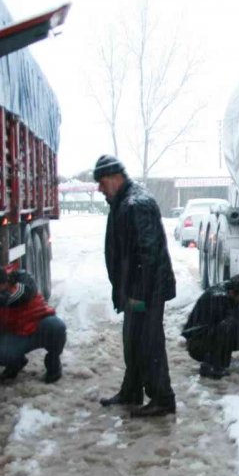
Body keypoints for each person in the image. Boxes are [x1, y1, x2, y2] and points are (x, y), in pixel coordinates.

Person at [93, 154, 177, 417]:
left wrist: (137, 296)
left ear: (115, 178)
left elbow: (147, 254)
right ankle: (132, 391)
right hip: (136, 289)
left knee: (149, 343)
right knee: (133, 341)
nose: (99, 189)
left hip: (146, 291)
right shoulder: (123, 201)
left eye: (102, 183)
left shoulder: (135, 204)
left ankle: (163, 398)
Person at [0, 264, 65, 383]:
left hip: (39, 327)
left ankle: (53, 361)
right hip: (17, 336)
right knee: (0, 354)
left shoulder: (22, 279)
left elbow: (20, 296)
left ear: (5, 282)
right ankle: (16, 363)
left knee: (57, 327)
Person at [182, 274, 239, 379]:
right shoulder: (218, 299)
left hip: (207, 336)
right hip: (197, 343)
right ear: (233, 292)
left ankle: (217, 361)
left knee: (237, 318)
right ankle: (211, 366)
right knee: (229, 324)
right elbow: (230, 328)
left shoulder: (229, 292)